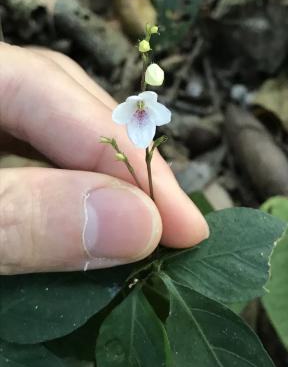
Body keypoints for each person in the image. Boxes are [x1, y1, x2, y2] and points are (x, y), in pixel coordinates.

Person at [0, 42, 209, 275]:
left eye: (143, 105)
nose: (140, 108)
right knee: (140, 165)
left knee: (144, 163)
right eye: (138, 105)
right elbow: (122, 115)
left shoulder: (145, 108)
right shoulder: (133, 110)